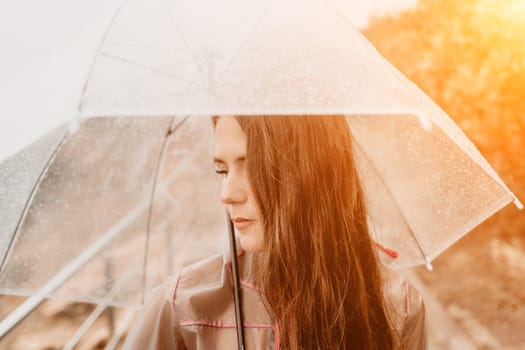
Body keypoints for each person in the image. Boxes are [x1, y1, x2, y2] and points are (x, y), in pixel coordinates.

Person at [123, 115, 427, 349]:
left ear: (308, 172)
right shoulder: (182, 306)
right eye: (222, 170)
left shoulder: (397, 307)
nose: (227, 194)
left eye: (252, 165)